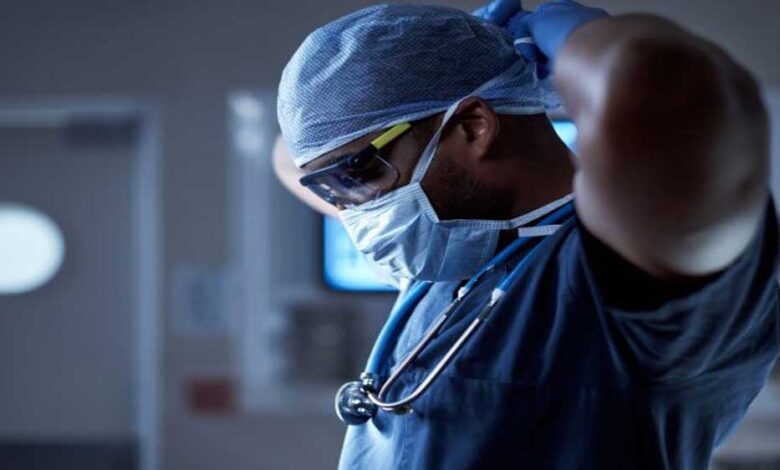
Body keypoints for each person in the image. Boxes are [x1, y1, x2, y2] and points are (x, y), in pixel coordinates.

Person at [275, 1, 779, 468]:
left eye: (357, 175)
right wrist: (419, 68)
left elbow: (678, 92)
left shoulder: (632, 272)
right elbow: (289, 155)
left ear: (473, 126)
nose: (350, 210)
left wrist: (573, 40)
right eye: (330, 189)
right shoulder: (455, 253)